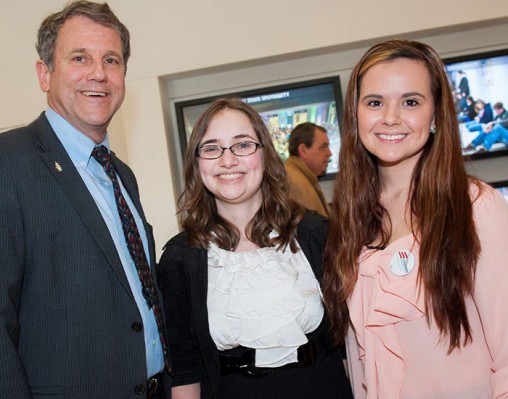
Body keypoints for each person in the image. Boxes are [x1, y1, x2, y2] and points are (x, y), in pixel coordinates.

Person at [0, 1, 170, 397]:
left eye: (112, 60)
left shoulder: (120, 173)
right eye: (80, 57)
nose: (99, 73)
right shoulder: (9, 162)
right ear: (45, 74)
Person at [322, 39, 508, 398]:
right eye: (375, 102)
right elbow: (359, 361)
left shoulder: (475, 207)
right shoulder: (351, 222)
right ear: (355, 114)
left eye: (410, 102)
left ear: (435, 114)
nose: (391, 117)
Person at [157, 98, 353, 399]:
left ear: (265, 154)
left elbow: (349, 347)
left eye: (243, 145)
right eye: (211, 148)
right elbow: (186, 371)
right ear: (197, 164)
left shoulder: (317, 234)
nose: (228, 160)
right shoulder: (180, 259)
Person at [284, 122, 332, 217]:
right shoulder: (292, 182)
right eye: (323, 147)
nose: (329, 153)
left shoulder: (301, 176)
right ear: (303, 150)